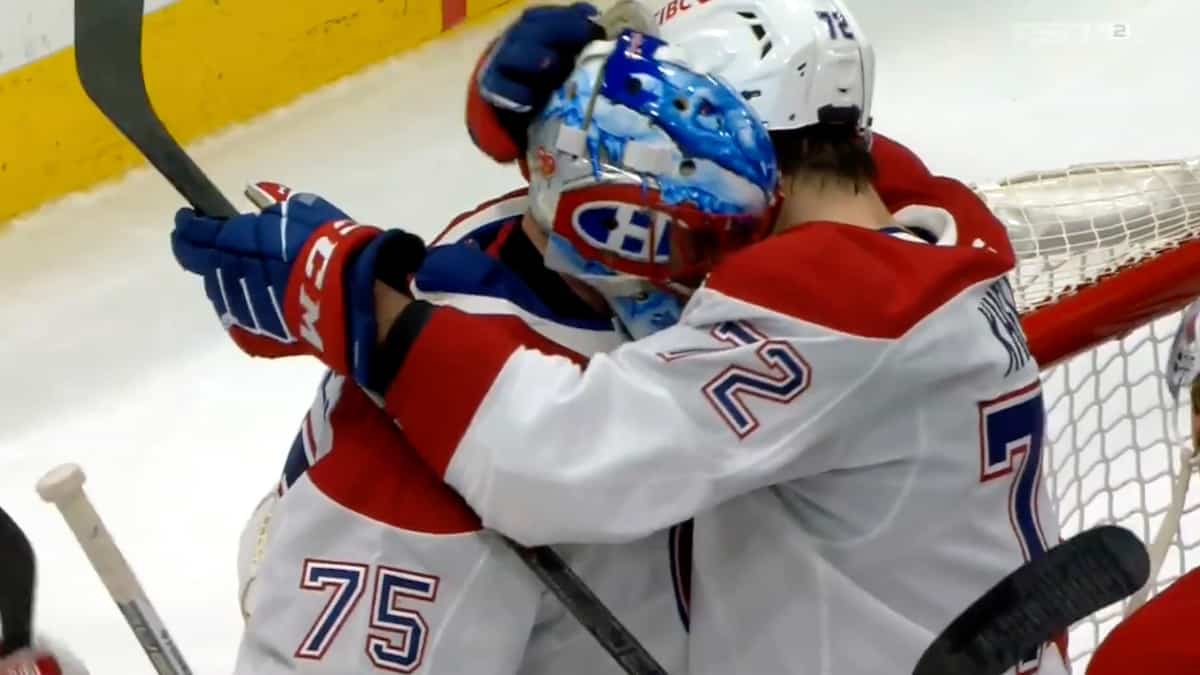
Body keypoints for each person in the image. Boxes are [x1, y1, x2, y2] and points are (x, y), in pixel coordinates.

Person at [163, 0, 1072, 671]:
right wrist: (551, 124)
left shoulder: (832, 306)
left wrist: (357, 297)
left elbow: (563, 453)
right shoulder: (918, 216)